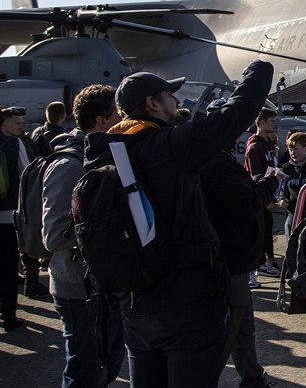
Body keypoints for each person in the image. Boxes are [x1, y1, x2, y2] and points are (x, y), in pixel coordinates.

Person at [82, 61, 273, 386]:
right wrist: (259, 68)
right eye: (170, 94)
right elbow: (238, 111)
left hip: (135, 303)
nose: (177, 101)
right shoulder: (170, 147)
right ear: (152, 103)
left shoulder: (106, 153)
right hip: (187, 304)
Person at [41, 85, 126, 384]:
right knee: (84, 371)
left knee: (106, 366)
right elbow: (53, 236)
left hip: (104, 286)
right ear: (103, 121)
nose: (122, 118)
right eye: (117, 113)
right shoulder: (69, 165)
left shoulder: (107, 156)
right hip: (76, 288)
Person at [199, 97, 283, 388]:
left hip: (236, 259)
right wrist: (270, 183)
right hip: (228, 259)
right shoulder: (217, 162)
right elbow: (247, 203)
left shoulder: (216, 158)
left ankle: (251, 376)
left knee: (243, 325)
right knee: (230, 326)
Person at [1, 105, 32, 329]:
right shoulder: (14, 144)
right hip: (7, 213)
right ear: (4, 124)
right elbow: (26, 173)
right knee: (9, 265)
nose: (21, 127)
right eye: (17, 123)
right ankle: (9, 315)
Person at [245, 108, 281, 279]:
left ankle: (264, 263)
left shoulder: (267, 144)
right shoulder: (255, 147)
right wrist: (266, 199)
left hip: (268, 194)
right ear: (261, 123)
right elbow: (257, 176)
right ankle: (256, 267)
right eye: (272, 121)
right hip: (260, 197)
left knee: (267, 231)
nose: (275, 124)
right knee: (260, 232)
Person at [279, 131, 306, 241]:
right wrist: (282, 199)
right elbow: (282, 189)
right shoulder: (287, 168)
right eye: (290, 149)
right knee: (291, 243)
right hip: (292, 213)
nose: (292, 153)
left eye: (296, 149)